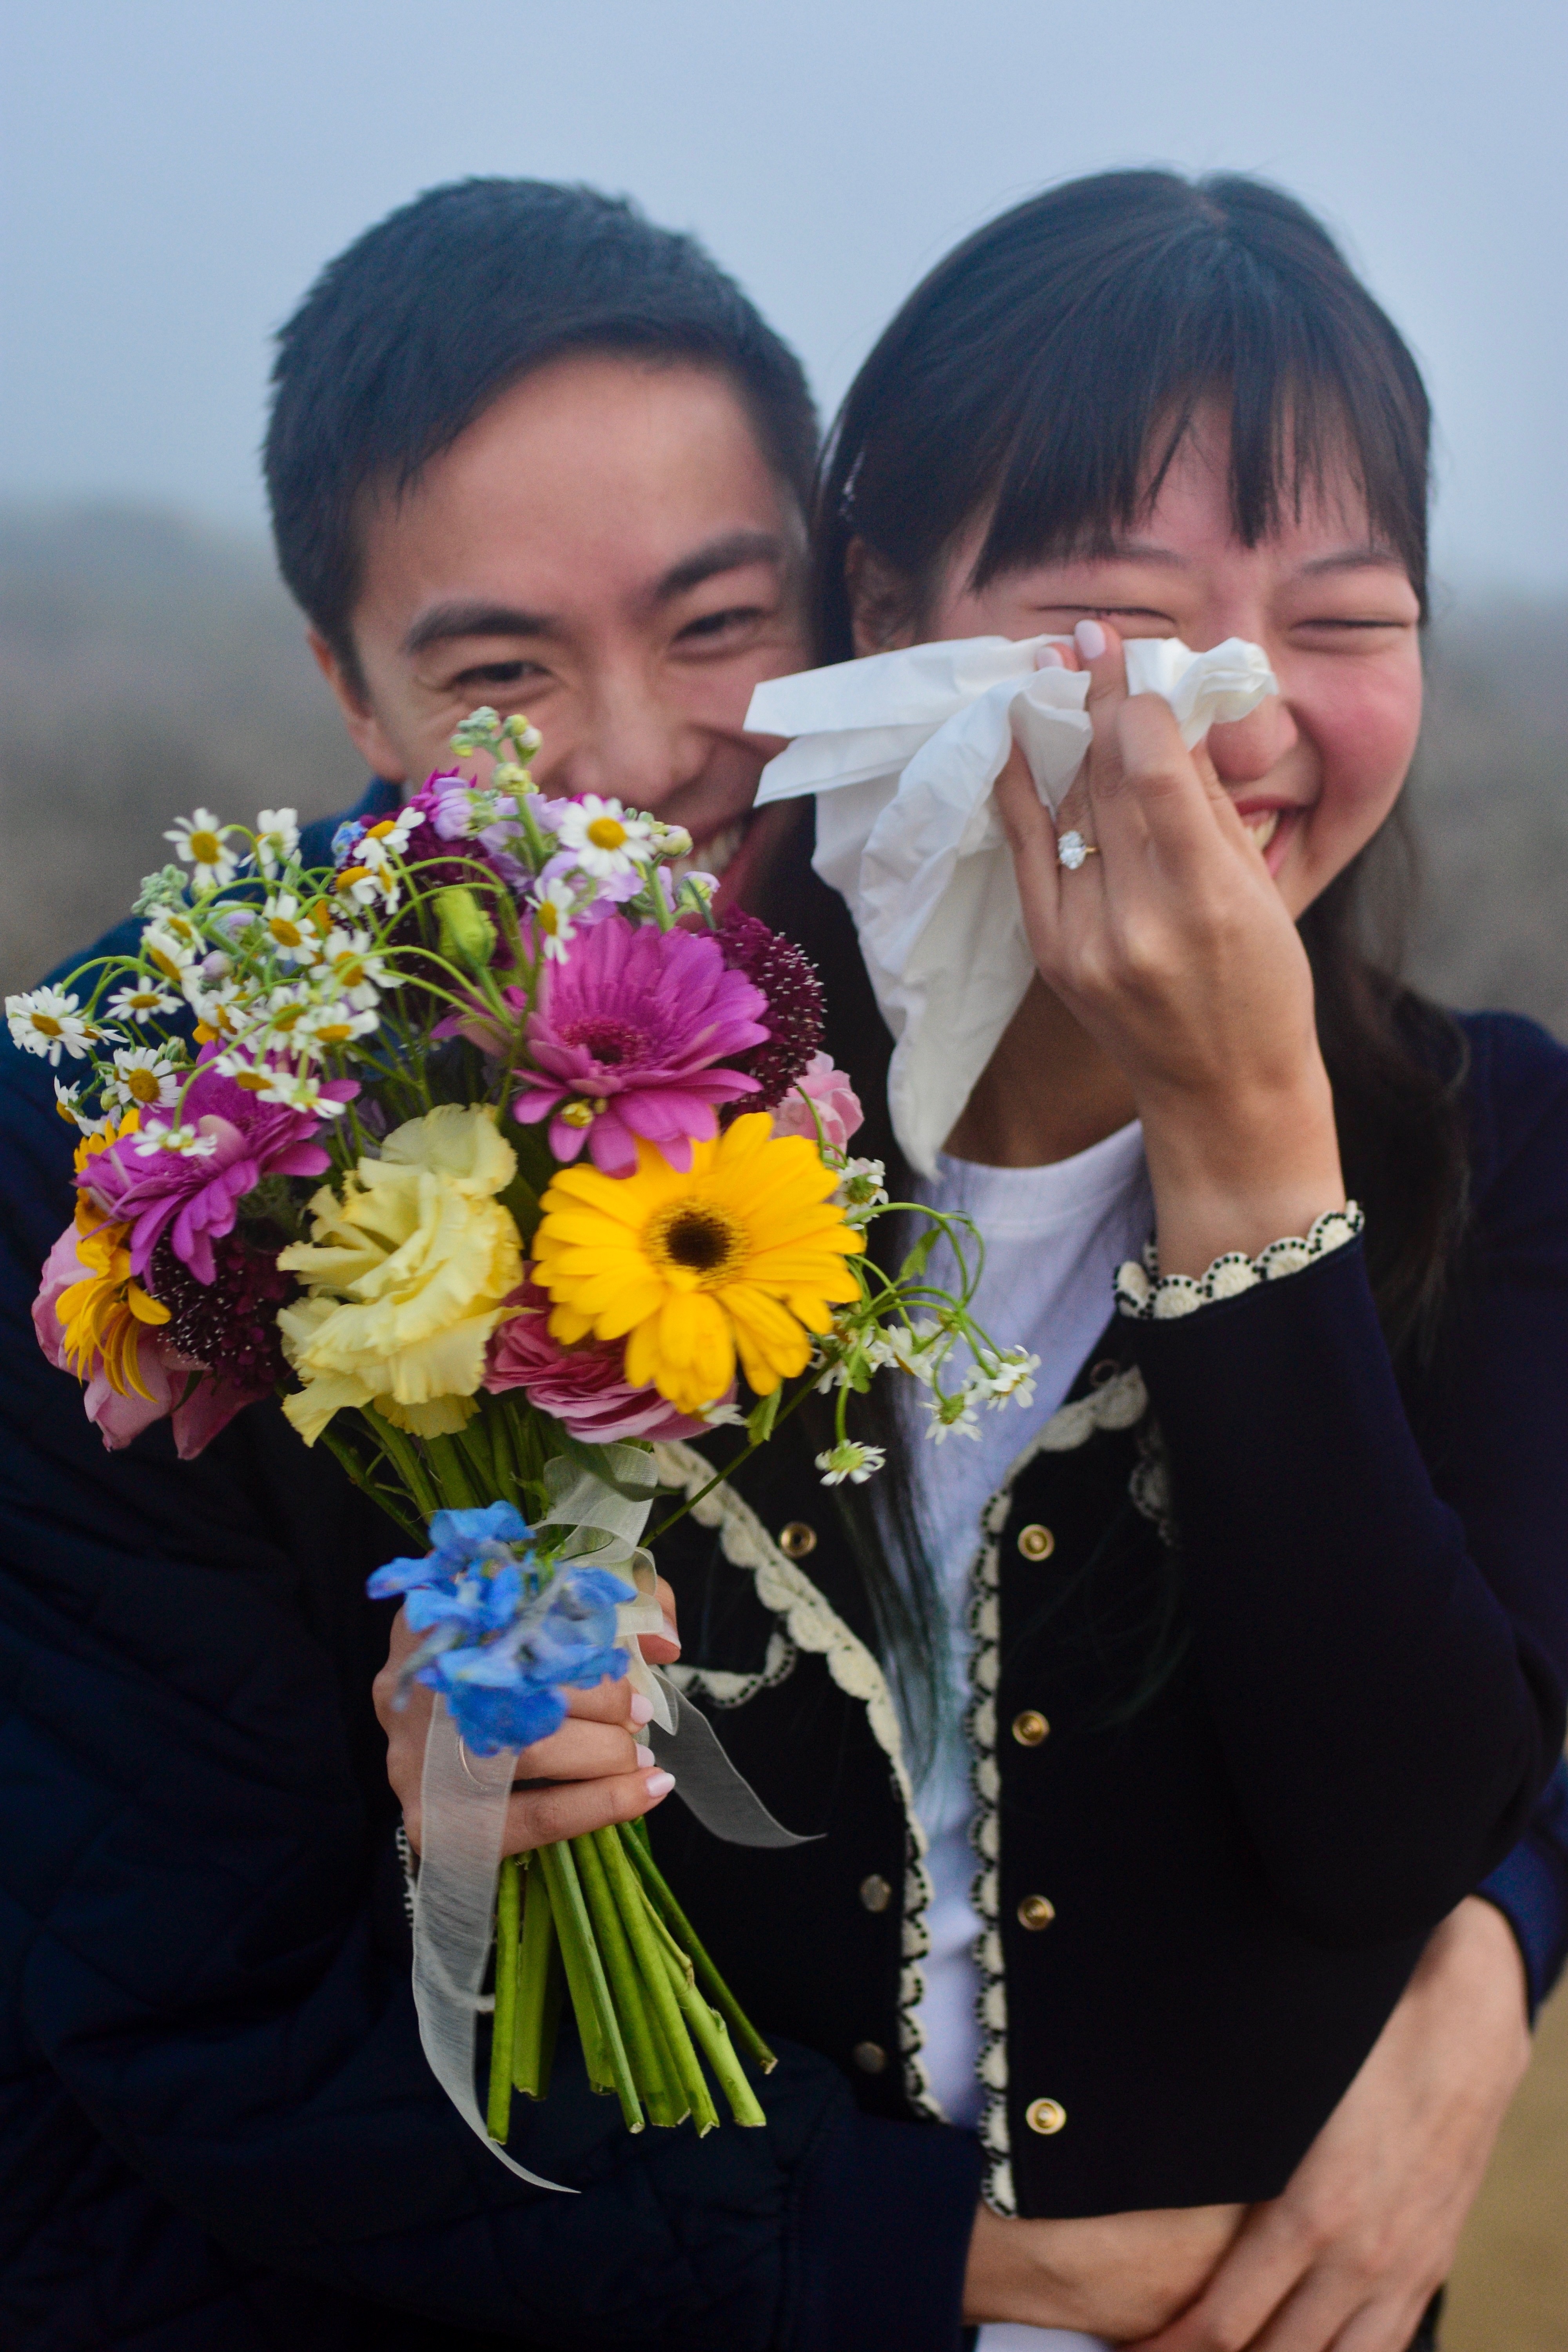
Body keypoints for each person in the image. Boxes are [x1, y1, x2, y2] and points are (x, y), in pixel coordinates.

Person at [0, 173, 1558, 2352]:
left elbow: (1468, 1674)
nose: (641, 757)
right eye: (497, 670)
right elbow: (199, 1994)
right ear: (350, 690)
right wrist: (930, 2252)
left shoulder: (1397, 1116)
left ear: (844, 622)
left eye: (720, 627)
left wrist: (1488, 1960)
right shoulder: (183, 1138)